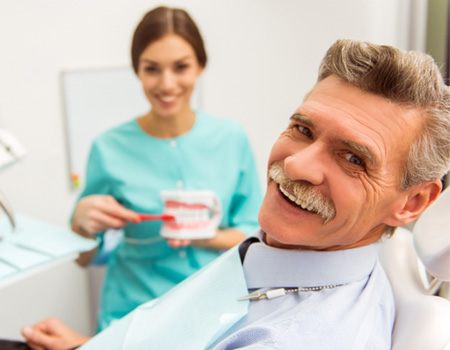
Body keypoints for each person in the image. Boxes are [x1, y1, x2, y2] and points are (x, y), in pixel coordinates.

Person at [21, 39, 449, 349]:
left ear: (411, 203)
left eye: (353, 159)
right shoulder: (284, 251)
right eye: (303, 129)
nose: (296, 165)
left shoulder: (291, 334)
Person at [69, 5, 262, 331]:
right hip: (132, 316)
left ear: (200, 66)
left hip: (215, 312)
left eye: (181, 67)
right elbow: (84, 258)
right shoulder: (108, 147)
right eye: (152, 69)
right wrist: (80, 226)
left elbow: (256, 235)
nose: (167, 83)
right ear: (137, 71)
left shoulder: (231, 138)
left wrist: (205, 236)